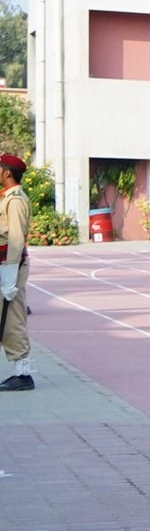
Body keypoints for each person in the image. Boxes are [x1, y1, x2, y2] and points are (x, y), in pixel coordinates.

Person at [0, 153, 32, 392]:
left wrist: (10, 274)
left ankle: (23, 374)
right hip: (5, 266)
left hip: (11, 266)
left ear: (7, 172)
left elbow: (16, 239)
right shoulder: (6, 198)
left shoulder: (16, 200)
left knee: (13, 318)